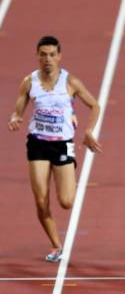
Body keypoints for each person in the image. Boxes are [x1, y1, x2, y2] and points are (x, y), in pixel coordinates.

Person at [8, 36, 102, 262]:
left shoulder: (70, 82)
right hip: (38, 143)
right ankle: (56, 245)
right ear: (37, 56)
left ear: (59, 56)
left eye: (52, 54)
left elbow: (95, 105)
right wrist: (15, 118)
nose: (47, 59)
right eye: (43, 54)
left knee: (67, 202)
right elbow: (18, 109)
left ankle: (67, 165)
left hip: (62, 144)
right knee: (41, 201)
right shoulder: (29, 82)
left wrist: (89, 131)